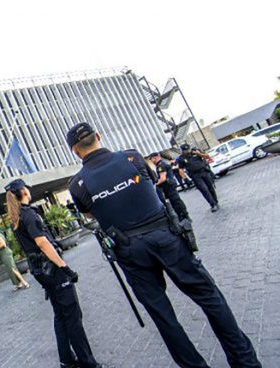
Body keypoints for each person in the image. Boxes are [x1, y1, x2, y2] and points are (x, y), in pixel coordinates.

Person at [66, 122, 261, 367]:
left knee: (163, 316)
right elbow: (152, 180)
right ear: (98, 135)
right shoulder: (132, 157)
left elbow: (91, 214)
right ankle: (245, 362)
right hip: (165, 235)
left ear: (74, 151)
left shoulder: (77, 185)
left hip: (129, 250)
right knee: (209, 296)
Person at [5, 179, 103, 368]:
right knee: (73, 316)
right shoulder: (29, 216)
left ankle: (66, 360)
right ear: (23, 192)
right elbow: (42, 243)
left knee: (60, 315)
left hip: (40, 271)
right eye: (27, 188)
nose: (29, 190)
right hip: (52, 270)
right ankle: (88, 363)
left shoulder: (16, 219)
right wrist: (65, 268)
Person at [177, 143, 220, 212]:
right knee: (204, 189)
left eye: (188, 149)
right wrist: (185, 178)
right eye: (185, 150)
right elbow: (180, 169)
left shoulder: (196, 152)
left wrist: (198, 153)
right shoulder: (181, 158)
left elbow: (207, 156)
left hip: (204, 172)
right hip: (195, 175)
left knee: (210, 188)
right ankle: (212, 204)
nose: (187, 151)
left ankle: (215, 201)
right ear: (182, 151)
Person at [149, 152, 190, 221]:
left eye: (151, 159)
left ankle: (183, 216)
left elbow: (163, 178)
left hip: (169, 186)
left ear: (154, 158)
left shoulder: (160, 165)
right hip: (170, 185)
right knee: (176, 201)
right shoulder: (162, 163)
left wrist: (155, 185)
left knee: (176, 201)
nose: (152, 161)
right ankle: (184, 215)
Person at [0, 224, 30, 291]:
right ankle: (18, 284)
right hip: (4, 255)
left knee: (13, 269)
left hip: (6, 254)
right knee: (10, 270)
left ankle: (24, 282)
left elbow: (3, 244)